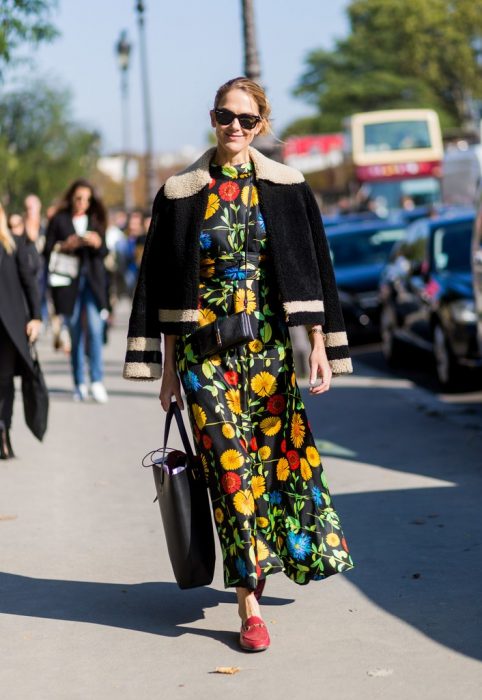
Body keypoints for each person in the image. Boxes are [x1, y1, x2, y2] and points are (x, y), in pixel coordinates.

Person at [123, 77, 354, 652]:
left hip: (270, 353)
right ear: (212, 119)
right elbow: (161, 283)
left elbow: (312, 268)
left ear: (261, 125)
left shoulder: (286, 187)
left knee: (274, 464)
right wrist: (168, 370)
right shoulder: (180, 192)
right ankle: (249, 603)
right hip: (204, 358)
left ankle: (271, 560)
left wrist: (319, 345)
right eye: (225, 116)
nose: (234, 127)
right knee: (230, 473)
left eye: (246, 120)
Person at [45, 179, 109, 403]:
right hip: (67, 282)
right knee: (74, 333)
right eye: (79, 198)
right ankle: (79, 382)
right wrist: (66, 245)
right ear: (72, 197)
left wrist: (96, 242)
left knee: (94, 327)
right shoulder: (60, 220)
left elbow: (104, 252)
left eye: (87, 199)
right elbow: (48, 249)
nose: (82, 203)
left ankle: (97, 380)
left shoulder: (95, 219)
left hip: (92, 282)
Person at [0, 203, 42, 458]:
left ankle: (4, 429)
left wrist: (36, 317)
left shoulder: (13, 244)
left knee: (4, 381)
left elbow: (29, 283)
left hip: (8, 328)